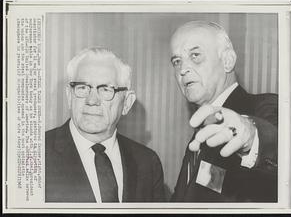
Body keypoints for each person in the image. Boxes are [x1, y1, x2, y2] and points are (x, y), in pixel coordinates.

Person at [170, 21, 278, 202]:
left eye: (195, 55)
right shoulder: (200, 133)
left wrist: (250, 134)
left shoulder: (263, 106)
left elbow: (280, 144)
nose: (183, 69)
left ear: (227, 61)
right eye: (177, 61)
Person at [45, 48, 165, 202]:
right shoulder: (37, 155)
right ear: (69, 96)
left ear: (127, 103)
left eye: (105, 90)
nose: (92, 100)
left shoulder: (147, 163)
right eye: (82, 87)